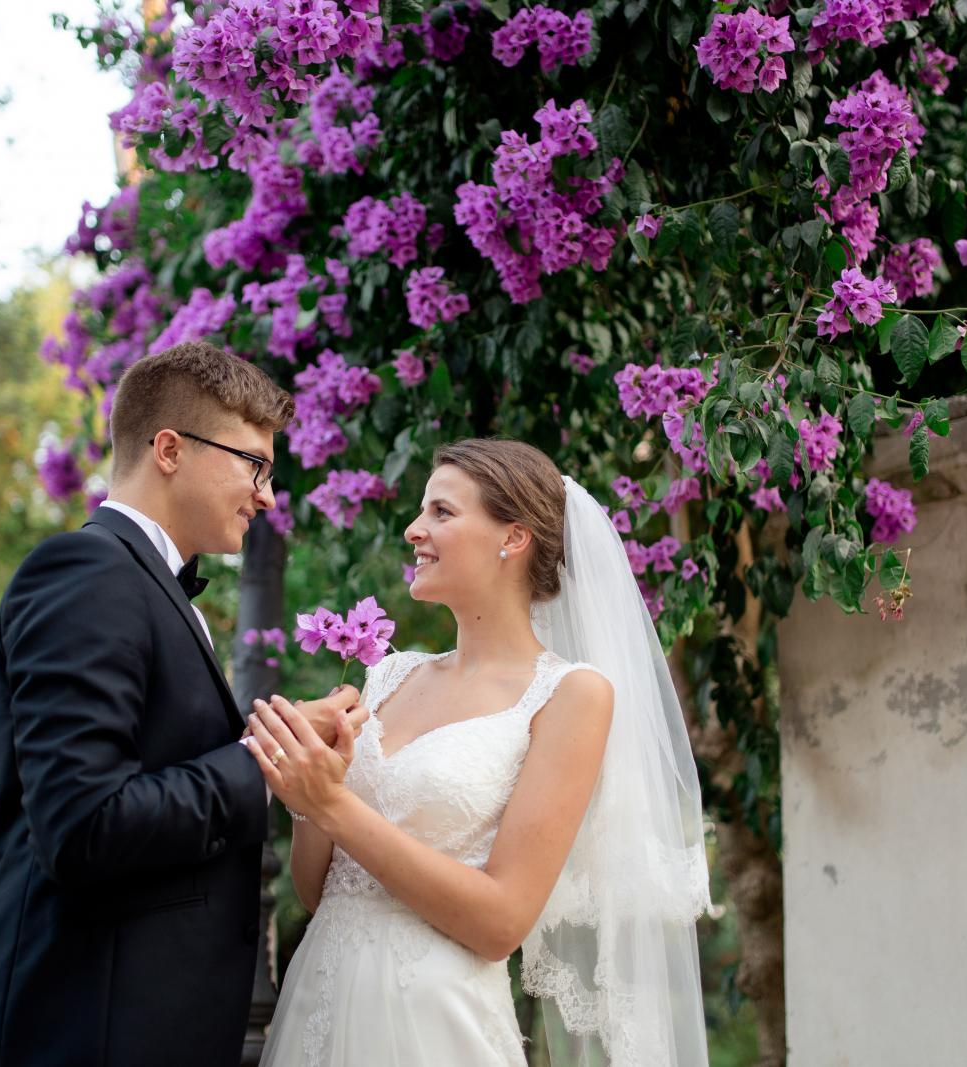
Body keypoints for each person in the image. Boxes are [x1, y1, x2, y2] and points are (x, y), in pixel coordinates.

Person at [0, 341, 364, 1067]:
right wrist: (266, 759)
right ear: (169, 448)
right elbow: (85, 822)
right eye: (253, 464)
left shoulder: (150, 584)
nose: (267, 494)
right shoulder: (87, 573)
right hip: (65, 1034)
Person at [248, 438, 712, 1067]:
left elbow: (501, 923)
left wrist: (330, 804)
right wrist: (307, 794)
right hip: (319, 1007)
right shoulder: (390, 678)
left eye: (442, 512)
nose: (415, 529)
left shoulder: (570, 695)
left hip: (435, 1025)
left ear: (512, 539)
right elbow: (316, 891)